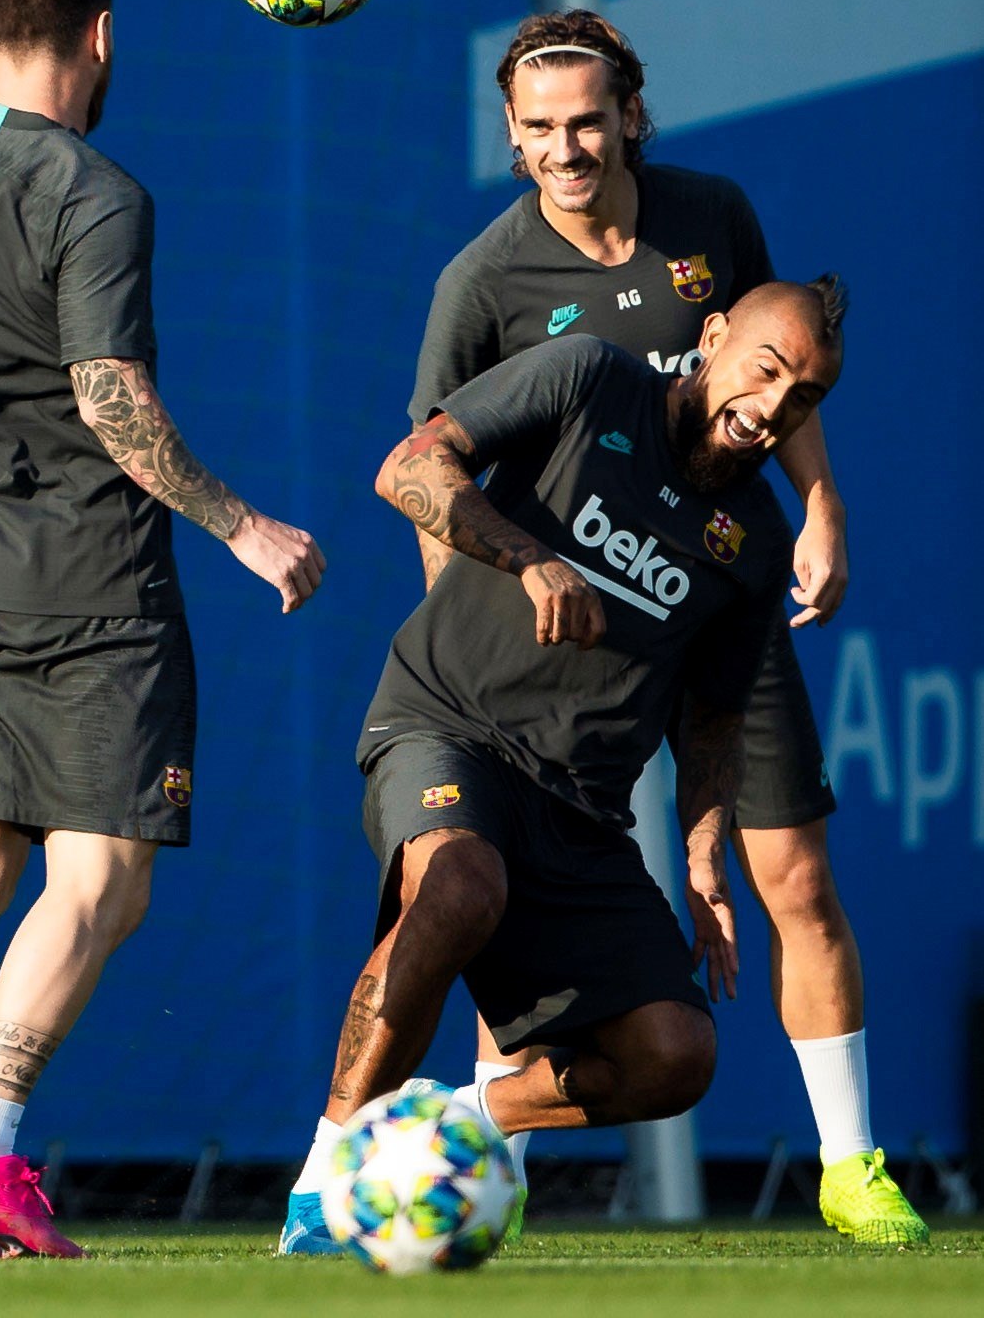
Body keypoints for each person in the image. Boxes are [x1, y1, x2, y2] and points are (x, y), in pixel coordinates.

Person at [404, 9, 921, 1247]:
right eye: (539, 130)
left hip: (715, 598)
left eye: (587, 121)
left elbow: (774, 363)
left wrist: (822, 504)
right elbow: (436, 474)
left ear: (631, 113)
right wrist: (471, 643)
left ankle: (851, 1167)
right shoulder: (481, 280)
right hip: (560, 642)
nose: (566, 148)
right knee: (519, 896)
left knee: (793, 873)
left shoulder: (713, 216)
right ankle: (493, 1159)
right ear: (514, 138)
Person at [0, 0, 325, 1259]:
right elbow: (106, 391)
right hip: (91, 591)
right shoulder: (96, 191)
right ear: (103, 34)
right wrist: (241, 526)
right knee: (102, 874)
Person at [279, 280, 846, 1255]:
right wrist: (528, 559)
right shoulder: (589, 375)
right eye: (764, 368)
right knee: (457, 884)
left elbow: (711, 713)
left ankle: (462, 1119)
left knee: (675, 1054)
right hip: (447, 722)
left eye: (801, 396)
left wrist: (706, 851)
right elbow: (412, 468)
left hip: (580, 810)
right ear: (712, 339)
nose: (771, 407)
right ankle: (324, 1183)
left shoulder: (751, 536)